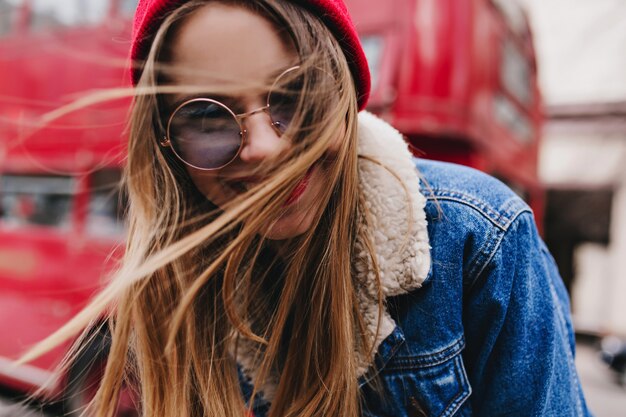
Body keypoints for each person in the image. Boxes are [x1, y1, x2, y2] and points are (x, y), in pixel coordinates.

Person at [25, 0, 592, 416]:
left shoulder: (479, 238)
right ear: (168, 150)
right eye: (207, 120)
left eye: (295, 97)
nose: (265, 148)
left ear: (343, 91)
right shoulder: (180, 295)